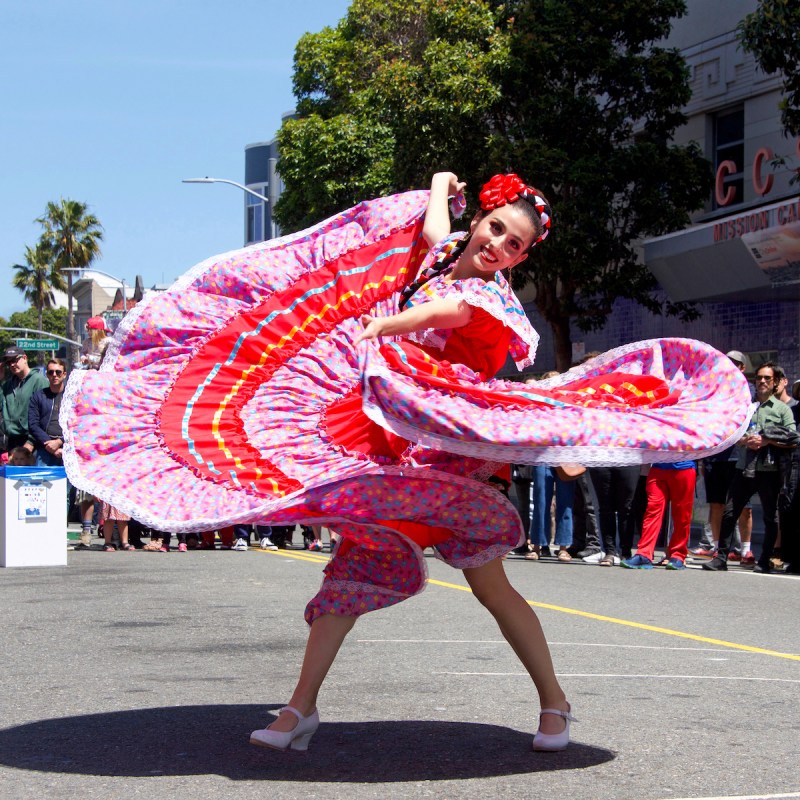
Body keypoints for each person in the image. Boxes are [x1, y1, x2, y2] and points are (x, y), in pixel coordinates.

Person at [62, 172, 751, 755]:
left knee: (492, 590)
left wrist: (382, 327)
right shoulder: (445, 250)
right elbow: (430, 240)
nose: (498, 246)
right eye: (495, 229)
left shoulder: (489, 298)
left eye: (514, 244)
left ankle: (555, 702)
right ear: (480, 219)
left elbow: (451, 312)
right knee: (351, 570)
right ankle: (300, 708)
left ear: (520, 257)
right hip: (386, 451)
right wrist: (443, 189)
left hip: (448, 464)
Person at [703, 362, 796, 573]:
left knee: (770, 517)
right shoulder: (747, 408)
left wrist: (767, 440)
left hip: (769, 471)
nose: (762, 381)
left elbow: (793, 438)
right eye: (759, 378)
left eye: (767, 378)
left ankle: (764, 561)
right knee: (729, 513)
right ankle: (721, 558)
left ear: (774, 383)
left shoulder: (782, 410)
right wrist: (744, 440)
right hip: (744, 468)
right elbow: (732, 435)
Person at [620, 461, 697, 570]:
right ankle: (644, 554)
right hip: (658, 468)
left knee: (682, 515)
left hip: (684, 467)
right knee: (652, 511)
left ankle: (678, 555)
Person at [1, 347, 48, 455]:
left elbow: (44, 414)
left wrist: (31, 441)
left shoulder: (38, 381)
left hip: (32, 441)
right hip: (12, 440)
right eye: (8, 362)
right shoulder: (8, 384)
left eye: (15, 360)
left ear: (25, 358)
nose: (12, 365)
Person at [28, 358, 68, 468]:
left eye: (58, 372)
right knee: (44, 483)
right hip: (45, 448)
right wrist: (49, 444)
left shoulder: (72, 396)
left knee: (69, 485)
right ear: (47, 375)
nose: (54, 375)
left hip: (69, 449)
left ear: (64, 374)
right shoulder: (38, 396)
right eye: (51, 372)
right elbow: (33, 424)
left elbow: (79, 423)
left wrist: (60, 441)